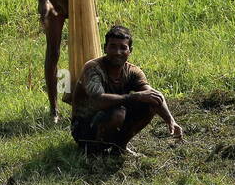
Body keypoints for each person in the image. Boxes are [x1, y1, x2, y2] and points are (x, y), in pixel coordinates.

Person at [69, 25, 183, 156]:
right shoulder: (93, 68)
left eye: (123, 47)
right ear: (105, 48)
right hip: (83, 129)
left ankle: (120, 147)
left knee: (148, 105)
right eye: (113, 46)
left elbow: (154, 95)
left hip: (110, 117)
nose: (118, 52)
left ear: (130, 50)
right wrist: (134, 97)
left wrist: (170, 120)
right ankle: (94, 152)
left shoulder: (132, 71)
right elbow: (97, 100)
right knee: (119, 112)